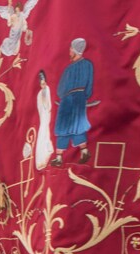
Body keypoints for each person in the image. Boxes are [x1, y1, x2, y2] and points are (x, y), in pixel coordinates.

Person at [51, 38, 94, 166]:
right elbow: (90, 85)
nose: (69, 51)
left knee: (63, 127)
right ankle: (84, 151)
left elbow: (60, 89)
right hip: (80, 98)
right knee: (78, 125)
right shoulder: (88, 65)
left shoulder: (69, 70)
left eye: (71, 49)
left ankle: (59, 158)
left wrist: (63, 96)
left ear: (76, 50)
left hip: (67, 99)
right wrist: (84, 96)